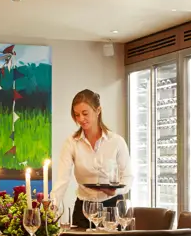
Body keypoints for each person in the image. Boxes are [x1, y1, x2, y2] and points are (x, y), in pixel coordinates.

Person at [51, 89, 133, 228]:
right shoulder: (71, 142)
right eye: (76, 115)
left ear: (98, 110)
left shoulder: (116, 142)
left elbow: (128, 178)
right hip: (84, 209)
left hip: (112, 208)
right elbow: (62, 180)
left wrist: (115, 190)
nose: (80, 119)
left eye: (85, 113)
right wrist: (51, 210)